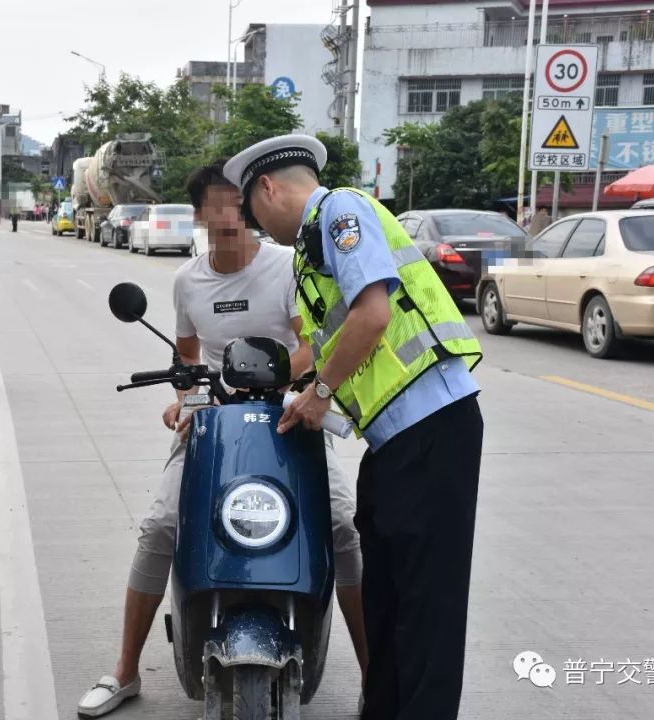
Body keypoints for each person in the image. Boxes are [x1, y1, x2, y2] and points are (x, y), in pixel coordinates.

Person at [77, 160, 368, 718]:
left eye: (235, 204)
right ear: (199, 216)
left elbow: (311, 343)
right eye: (214, 206)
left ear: (251, 205)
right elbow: (186, 357)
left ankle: (374, 675)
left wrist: (270, 376)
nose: (227, 216)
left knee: (342, 526)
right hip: (213, 421)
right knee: (161, 524)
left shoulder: (286, 268)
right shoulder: (188, 281)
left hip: (289, 415)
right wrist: (185, 401)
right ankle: (125, 670)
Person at [223, 135, 484, 720]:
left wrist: (318, 393)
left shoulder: (343, 211)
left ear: (268, 188)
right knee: (387, 601)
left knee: (428, 607)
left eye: (253, 213)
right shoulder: (308, 255)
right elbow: (326, 347)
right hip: (390, 442)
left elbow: (374, 314)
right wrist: (277, 388)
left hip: (435, 426)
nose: (257, 227)